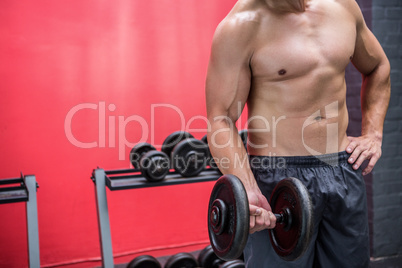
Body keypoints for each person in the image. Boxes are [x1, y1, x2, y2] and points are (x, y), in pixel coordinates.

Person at [205, 0, 390, 267]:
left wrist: (373, 134)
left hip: (341, 168)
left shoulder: (343, 7)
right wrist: (247, 186)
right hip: (277, 179)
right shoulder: (241, 26)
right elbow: (220, 119)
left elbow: (378, 67)